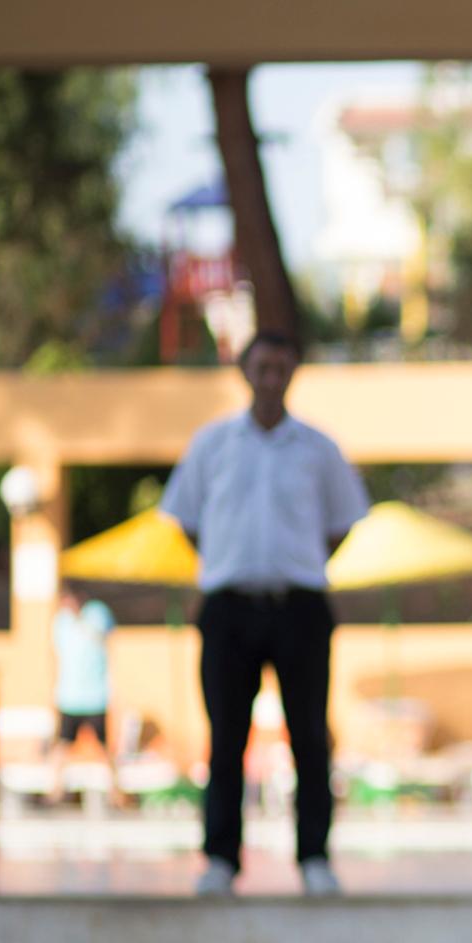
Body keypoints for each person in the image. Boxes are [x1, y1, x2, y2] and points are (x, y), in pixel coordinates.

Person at [160, 331, 369, 897]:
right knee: (227, 737)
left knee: (309, 736)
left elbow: (343, 520)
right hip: (228, 608)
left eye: (282, 366)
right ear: (245, 371)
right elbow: (185, 516)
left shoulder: (318, 449)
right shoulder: (213, 445)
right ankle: (221, 858)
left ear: (293, 371)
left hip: (299, 607)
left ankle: (315, 857)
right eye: (262, 366)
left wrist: (299, 561)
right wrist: (226, 559)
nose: (272, 377)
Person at [49, 585, 116, 798]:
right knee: (62, 745)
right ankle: (54, 791)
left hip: (95, 696)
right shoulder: (61, 622)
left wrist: (81, 622)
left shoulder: (96, 613)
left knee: (104, 746)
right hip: (70, 696)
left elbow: (104, 637)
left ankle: (116, 791)